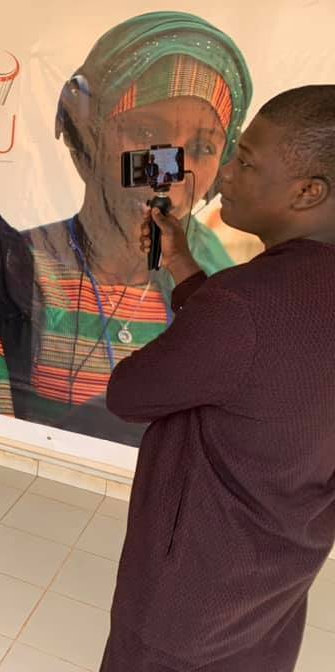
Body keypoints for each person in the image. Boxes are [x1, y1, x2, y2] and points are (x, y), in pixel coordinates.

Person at [0, 11, 253, 446]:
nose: (168, 169)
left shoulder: (225, 299)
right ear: (89, 136)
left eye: (200, 147)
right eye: (144, 130)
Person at [101, 85, 335, 671]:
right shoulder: (259, 303)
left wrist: (208, 301)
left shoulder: (245, 302)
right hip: (278, 583)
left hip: (189, 601)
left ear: (310, 191)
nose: (225, 173)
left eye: (247, 160)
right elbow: (265, 362)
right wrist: (181, 261)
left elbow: (128, 394)